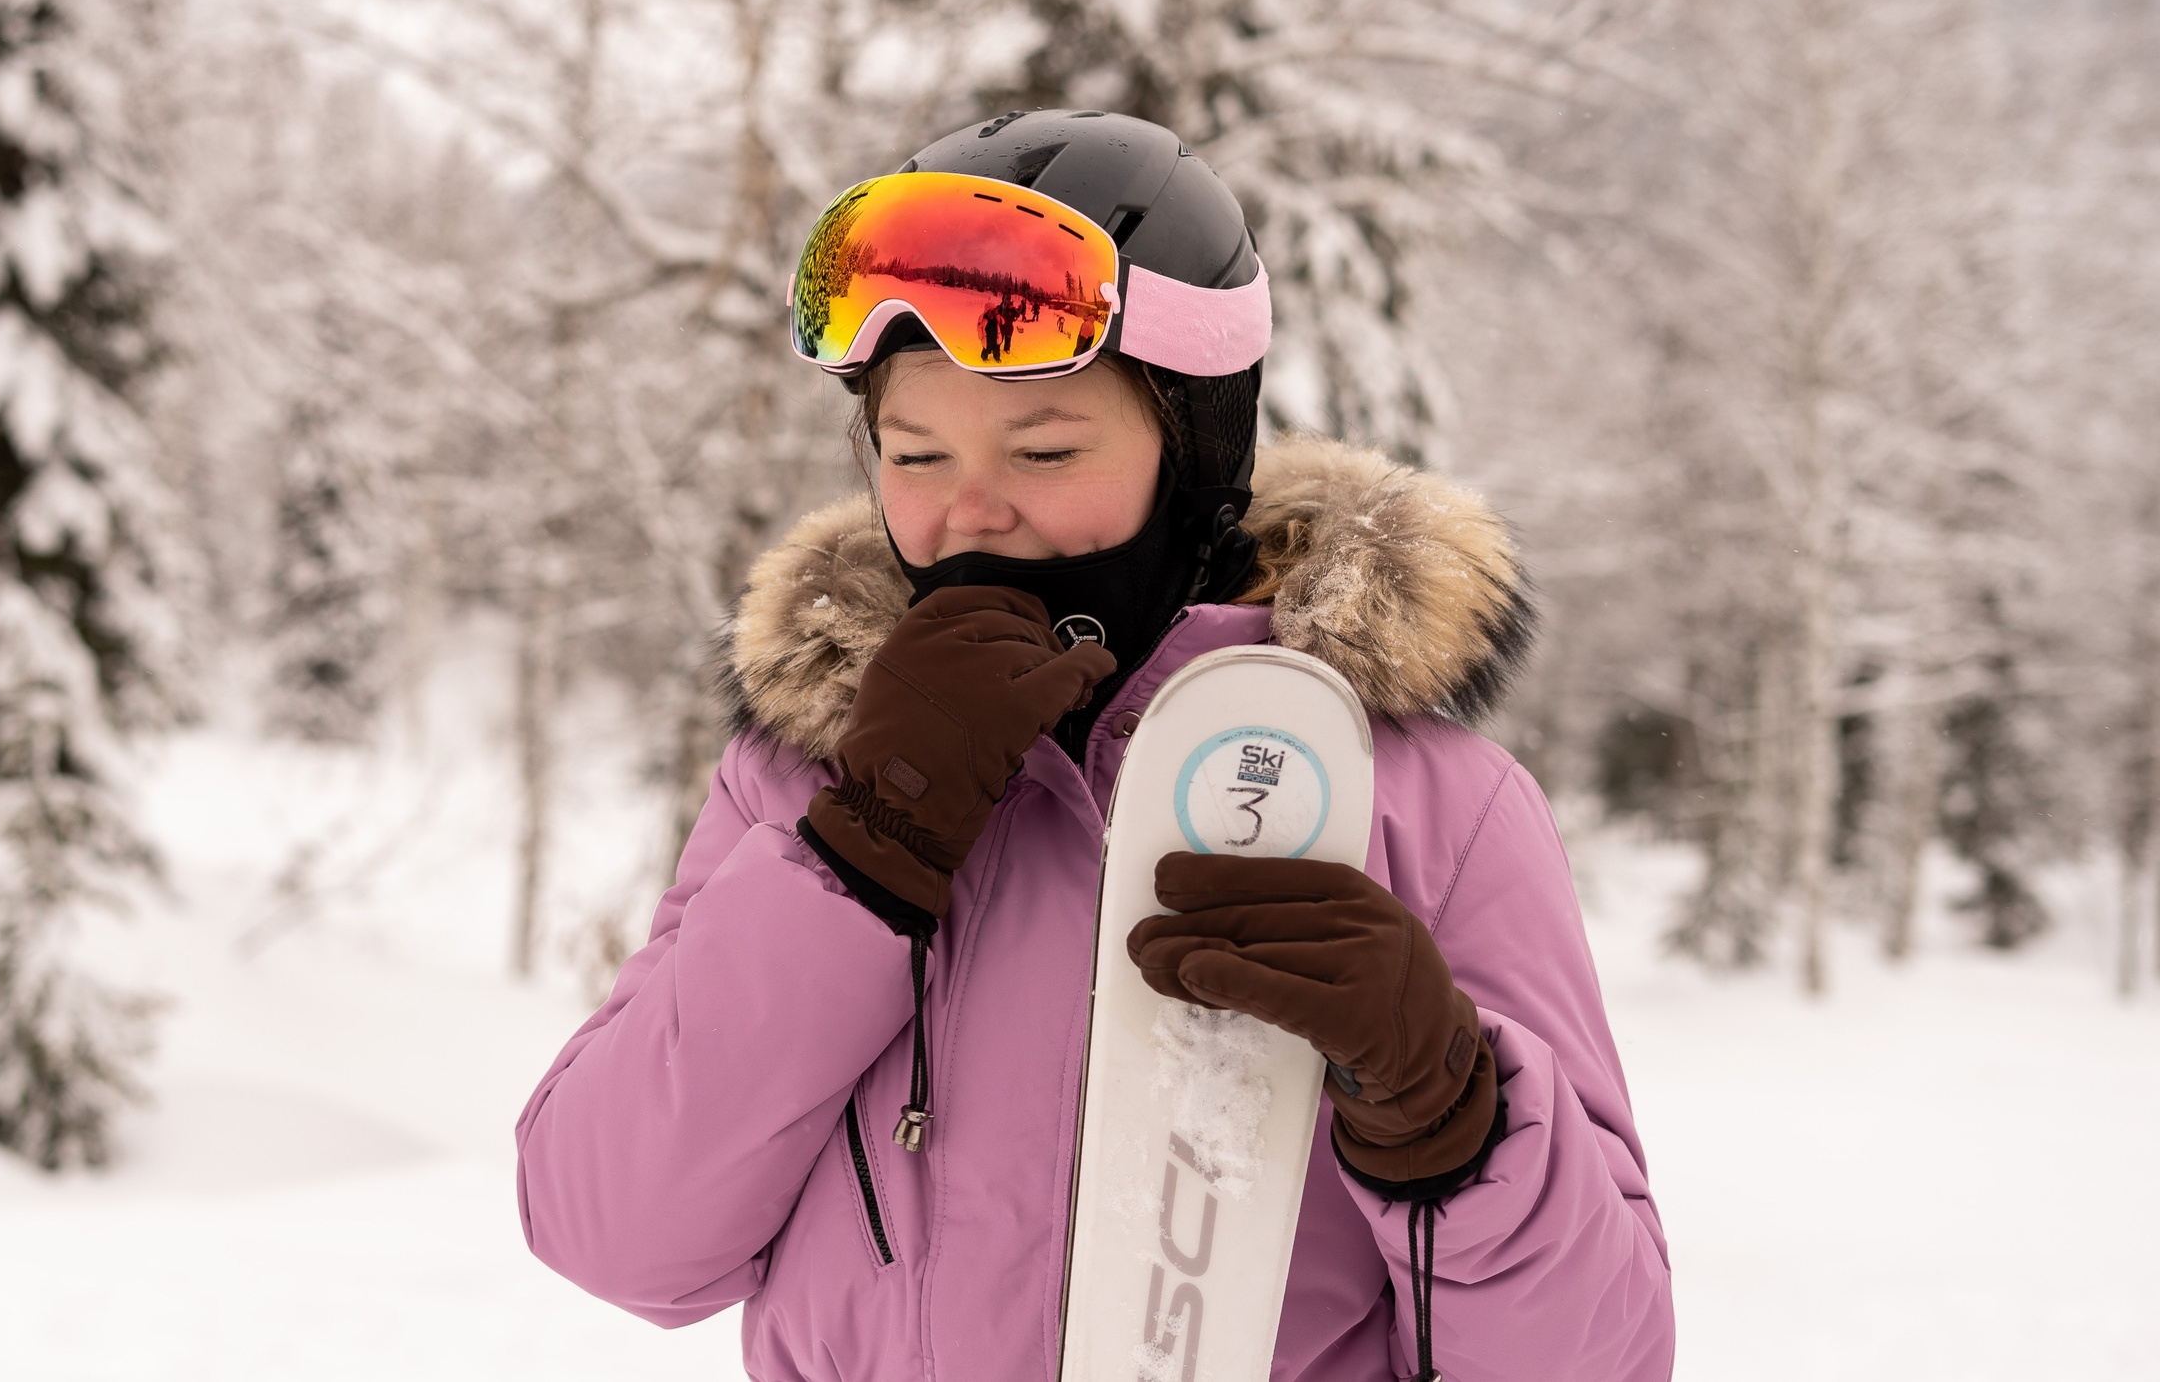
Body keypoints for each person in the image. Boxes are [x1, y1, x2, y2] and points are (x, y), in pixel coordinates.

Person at [516, 110, 1673, 1381]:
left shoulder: (1422, 807)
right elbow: (612, 1238)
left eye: (1046, 449)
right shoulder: (802, 784)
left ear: (1194, 454)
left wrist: (1450, 1116)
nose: (969, 511)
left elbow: (1599, 1361)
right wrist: (862, 855)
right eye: (915, 454)